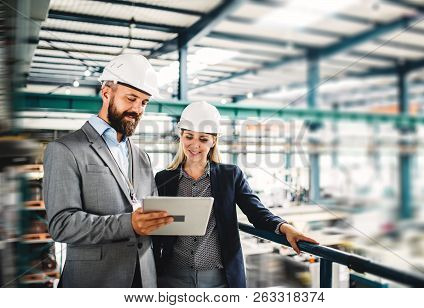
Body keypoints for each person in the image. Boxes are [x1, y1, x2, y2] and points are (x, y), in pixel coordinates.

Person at [153, 102, 318, 288]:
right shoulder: (164, 178)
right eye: (189, 137)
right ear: (181, 136)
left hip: (218, 279)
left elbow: (256, 211)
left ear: (214, 141)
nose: (195, 145)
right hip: (172, 276)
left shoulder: (230, 176)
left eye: (203, 139)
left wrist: (285, 228)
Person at [43, 54, 173, 288]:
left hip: (145, 280)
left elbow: (149, 209)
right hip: (95, 282)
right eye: (131, 98)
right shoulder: (64, 149)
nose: (137, 109)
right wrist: (129, 224)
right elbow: (61, 224)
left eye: (144, 102)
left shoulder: (141, 156)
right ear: (106, 93)